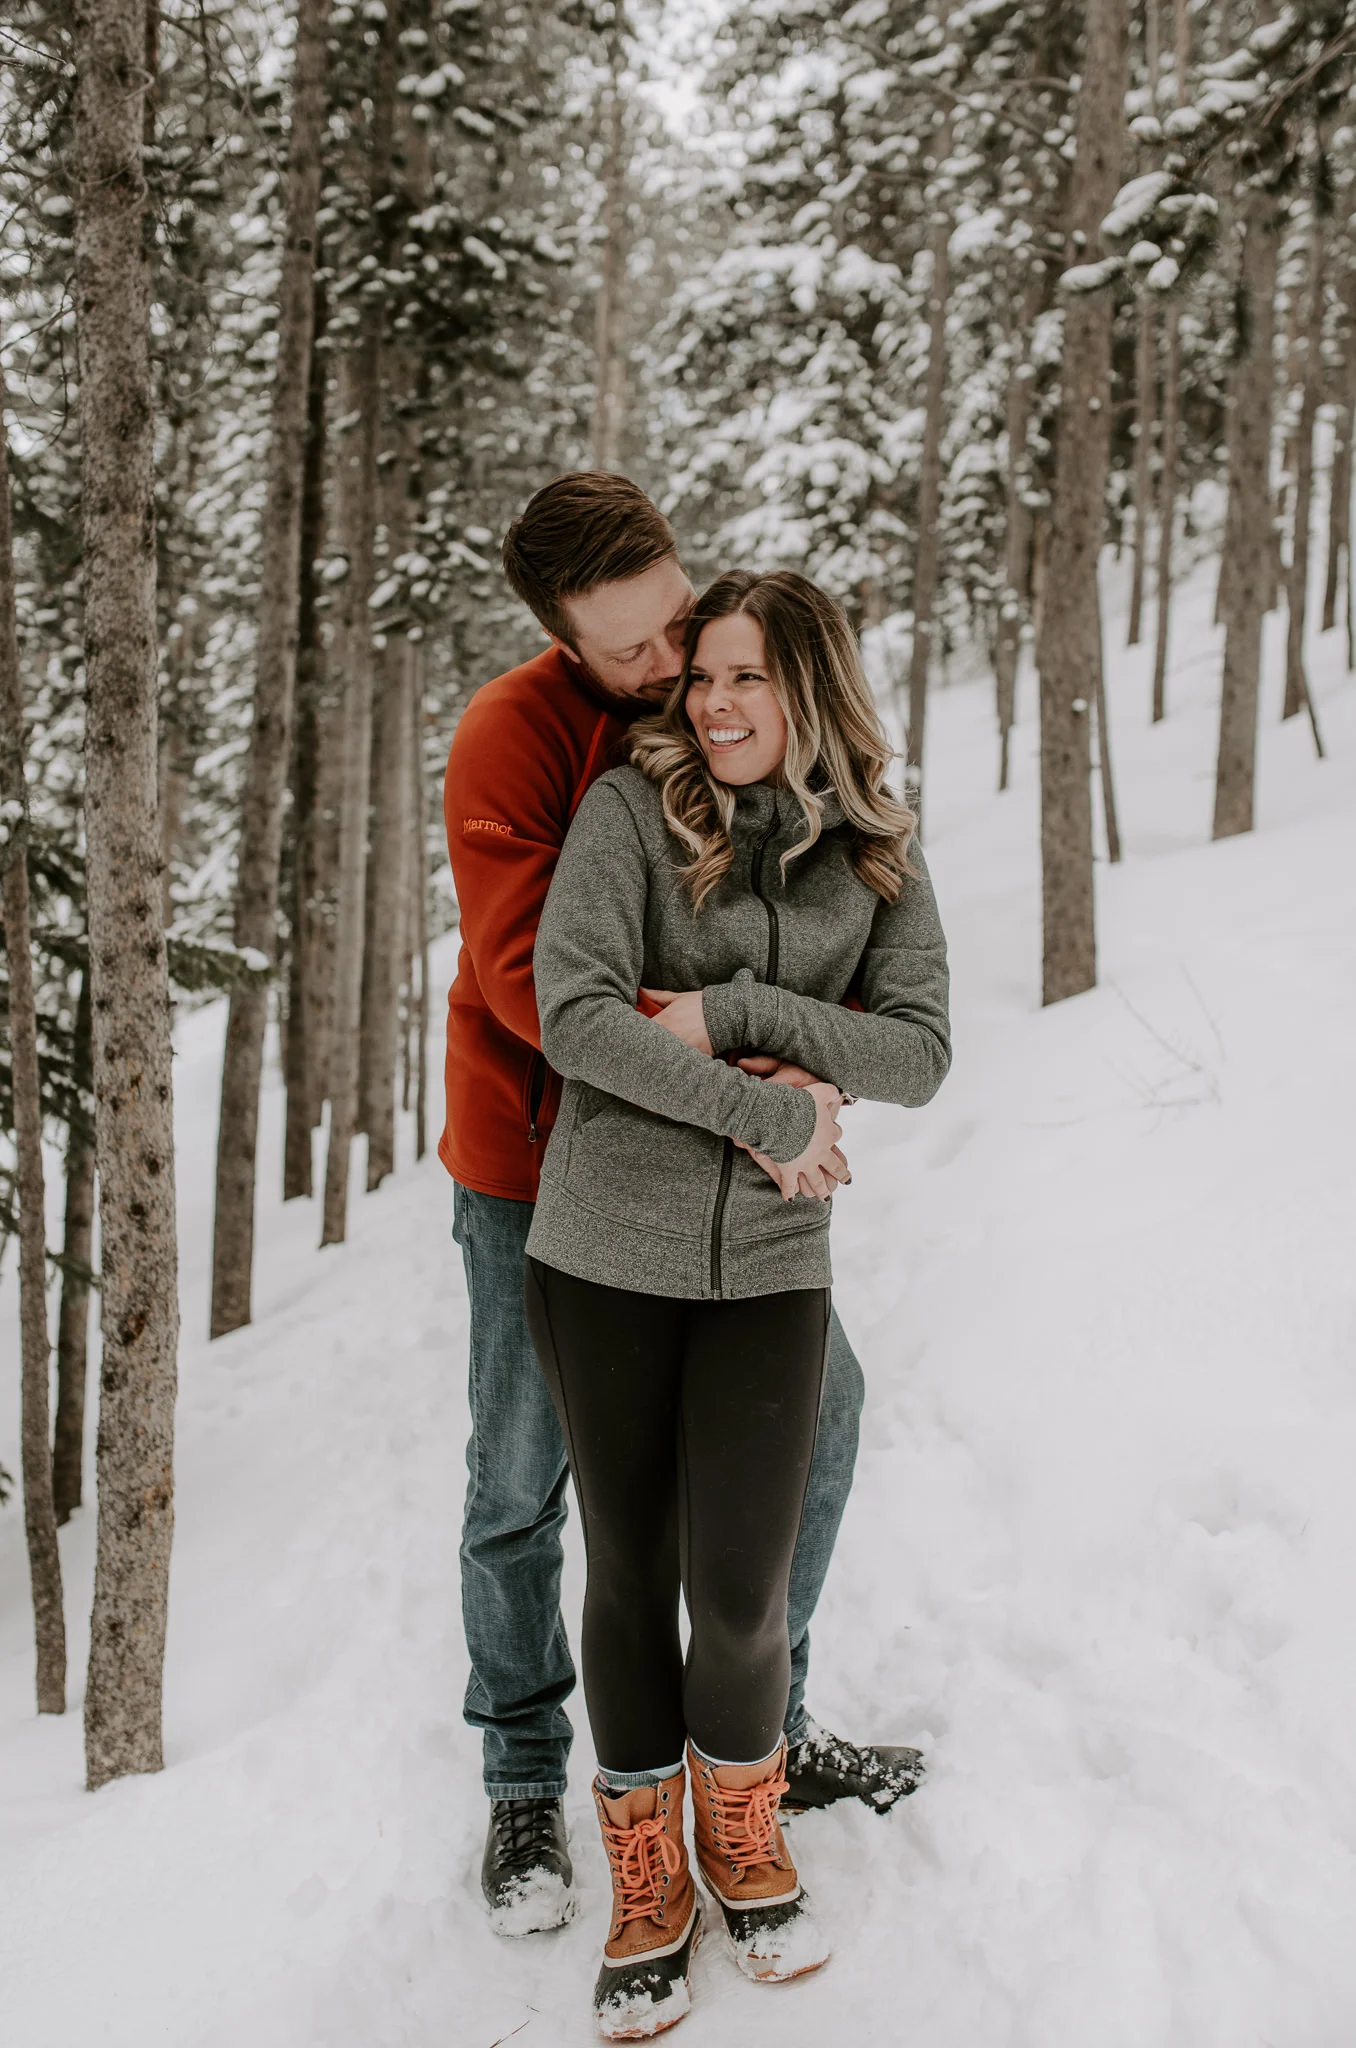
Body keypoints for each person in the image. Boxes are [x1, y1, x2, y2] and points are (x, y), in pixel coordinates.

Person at [441, 474, 925, 1942]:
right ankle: (527, 1774)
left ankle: (758, 1720)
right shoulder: (512, 742)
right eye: (637, 652)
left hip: (734, 1183)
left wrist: (764, 1036)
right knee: (526, 1480)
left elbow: (863, 992)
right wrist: (757, 1091)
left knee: (816, 1426)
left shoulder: (725, 684)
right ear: (565, 638)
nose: (673, 670)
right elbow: (553, 999)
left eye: (681, 627)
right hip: (540, 1168)